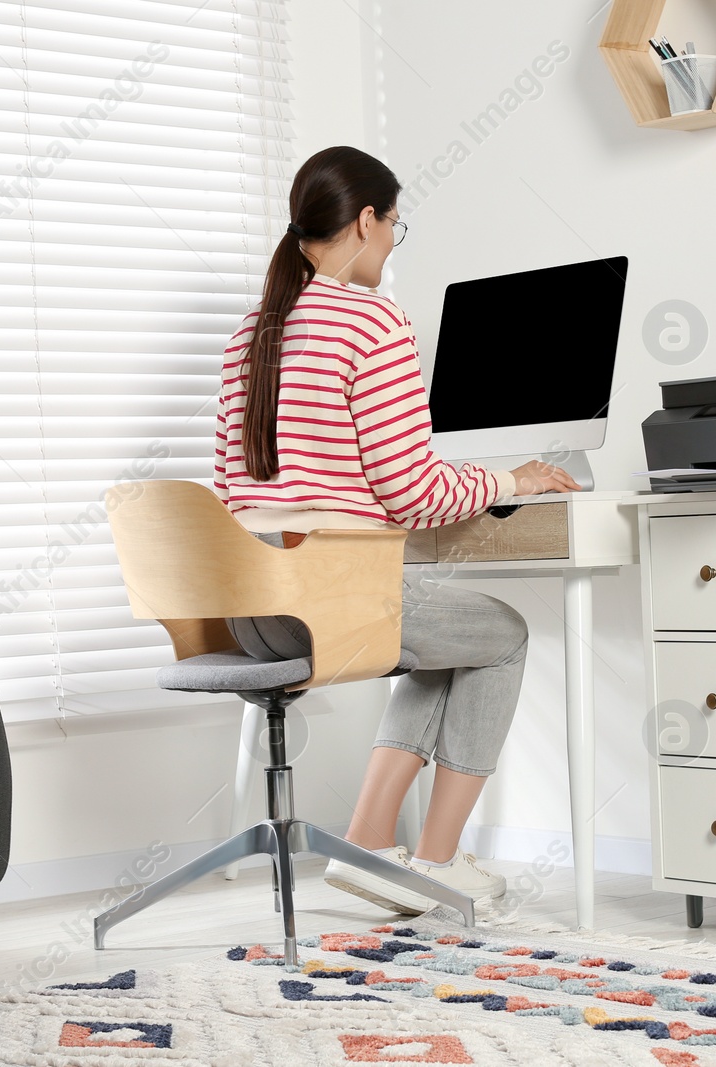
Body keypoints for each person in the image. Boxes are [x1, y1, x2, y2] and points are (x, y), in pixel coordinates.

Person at [211, 146, 579, 913]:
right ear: (368, 220)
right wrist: (515, 480)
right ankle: (438, 858)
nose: (389, 245)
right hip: (330, 601)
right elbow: (412, 491)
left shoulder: (252, 329)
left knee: (441, 636)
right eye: (394, 227)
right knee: (503, 633)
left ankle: (371, 841)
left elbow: (228, 490)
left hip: (251, 611)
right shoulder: (373, 319)